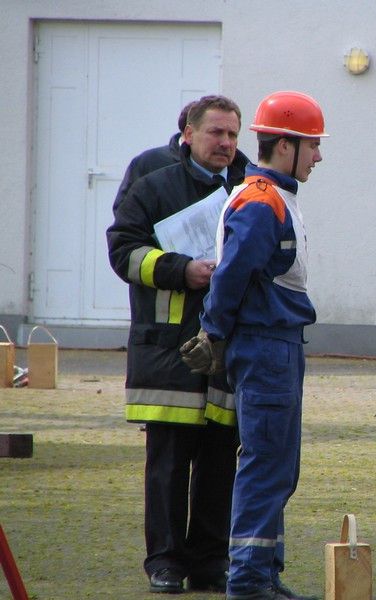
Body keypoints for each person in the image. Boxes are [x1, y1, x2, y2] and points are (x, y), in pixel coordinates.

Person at [180, 91, 326, 600]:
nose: (318, 156)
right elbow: (232, 274)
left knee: (277, 466)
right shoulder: (264, 202)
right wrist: (213, 332)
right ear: (285, 145)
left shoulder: (271, 196)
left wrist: (218, 332)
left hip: (276, 344)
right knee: (267, 464)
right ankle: (248, 580)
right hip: (267, 346)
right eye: (313, 145)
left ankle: (262, 574)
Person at [107, 95, 248, 594]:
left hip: (227, 346)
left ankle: (210, 561)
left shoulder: (248, 185)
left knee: (219, 463)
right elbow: (123, 251)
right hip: (168, 343)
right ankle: (164, 562)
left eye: (233, 134)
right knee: (168, 464)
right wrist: (180, 270)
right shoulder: (153, 182)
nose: (226, 143)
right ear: (188, 134)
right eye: (216, 133)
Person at [112, 99, 195, 214]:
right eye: (214, 132)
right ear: (188, 133)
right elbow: (124, 211)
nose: (220, 142)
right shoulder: (148, 162)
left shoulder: (219, 165)